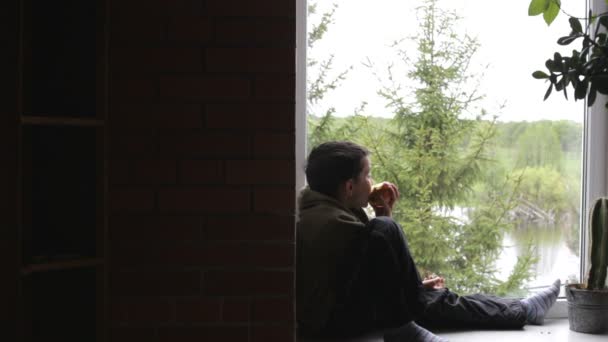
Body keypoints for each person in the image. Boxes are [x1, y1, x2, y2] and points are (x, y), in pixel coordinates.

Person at [296, 141, 560, 342]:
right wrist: (385, 218)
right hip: (333, 326)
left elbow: (369, 273)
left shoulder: (322, 206)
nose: (372, 182)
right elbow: (375, 254)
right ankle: (403, 331)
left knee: (429, 295)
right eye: (367, 175)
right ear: (349, 187)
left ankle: (524, 310)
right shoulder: (328, 223)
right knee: (417, 286)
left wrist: (412, 286)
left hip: (343, 314)